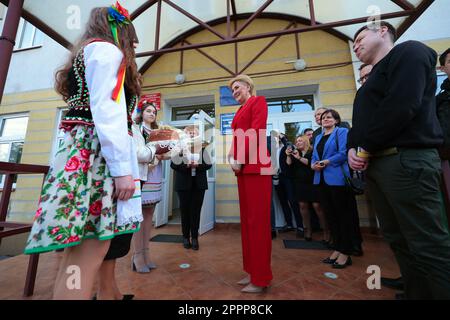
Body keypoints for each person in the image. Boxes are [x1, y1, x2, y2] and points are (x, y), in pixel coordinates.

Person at [23, 4, 142, 299]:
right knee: (88, 254)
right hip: (96, 161)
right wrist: (122, 171)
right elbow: (108, 112)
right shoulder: (107, 52)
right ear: (121, 31)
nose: (133, 46)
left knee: (76, 256)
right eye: (132, 39)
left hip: (79, 157)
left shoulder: (87, 51)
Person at [348, 21, 450, 299]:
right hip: (379, 166)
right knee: (398, 239)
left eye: (359, 38)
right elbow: (362, 122)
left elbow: (402, 105)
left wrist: (364, 147)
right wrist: (352, 146)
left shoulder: (410, 52)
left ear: (382, 30)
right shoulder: (371, 81)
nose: (355, 45)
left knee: (427, 243)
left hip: (405, 159)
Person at [228, 74, 272, 293]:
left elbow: (255, 132)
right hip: (243, 171)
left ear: (248, 86)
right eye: (232, 90)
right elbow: (237, 136)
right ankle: (251, 271)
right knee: (247, 222)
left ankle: (261, 277)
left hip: (256, 168)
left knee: (258, 223)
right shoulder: (239, 110)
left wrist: (240, 157)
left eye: (237, 87)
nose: (234, 92)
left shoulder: (258, 102)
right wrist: (230, 154)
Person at [312, 109, 361, 269]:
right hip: (321, 180)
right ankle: (337, 248)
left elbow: (344, 153)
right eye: (323, 117)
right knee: (331, 217)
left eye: (329, 117)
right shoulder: (318, 136)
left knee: (343, 217)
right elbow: (314, 156)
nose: (325, 119)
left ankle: (346, 252)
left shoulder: (342, 132)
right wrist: (314, 165)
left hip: (337, 179)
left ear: (336, 120)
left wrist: (326, 162)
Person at [131, 100, 164, 272]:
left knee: (149, 213)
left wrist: (166, 152)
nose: (152, 114)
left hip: (155, 173)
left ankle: (146, 253)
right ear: (142, 113)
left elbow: (163, 152)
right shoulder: (137, 129)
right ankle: (137, 256)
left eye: (154, 112)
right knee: (139, 216)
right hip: (142, 173)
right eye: (149, 111)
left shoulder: (158, 132)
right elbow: (136, 152)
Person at [170, 125, 212, 250]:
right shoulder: (179, 148)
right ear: (185, 135)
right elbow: (173, 165)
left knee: (196, 212)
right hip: (183, 185)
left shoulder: (203, 148)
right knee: (185, 212)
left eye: (194, 133)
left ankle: (194, 238)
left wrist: (198, 166)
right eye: (189, 133)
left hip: (199, 185)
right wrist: (186, 166)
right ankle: (185, 237)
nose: (192, 135)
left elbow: (209, 164)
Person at [286, 135, 329, 241]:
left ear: (306, 141)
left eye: (300, 140)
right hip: (300, 183)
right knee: (303, 206)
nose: (298, 142)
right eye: (296, 141)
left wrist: (299, 158)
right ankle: (308, 231)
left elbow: (311, 164)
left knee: (317, 206)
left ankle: (326, 231)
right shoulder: (296, 153)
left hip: (313, 182)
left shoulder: (313, 152)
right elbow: (289, 165)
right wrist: (288, 155)